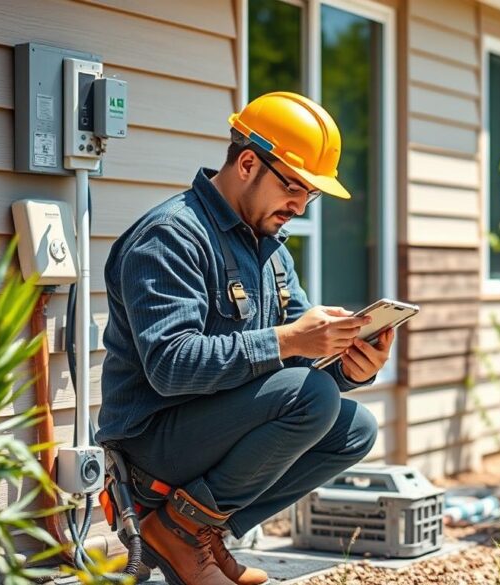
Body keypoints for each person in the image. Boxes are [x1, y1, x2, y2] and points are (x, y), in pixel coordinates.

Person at [96, 92, 390, 585]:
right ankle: (180, 534)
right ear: (248, 162)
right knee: (312, 396)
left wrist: (349, 364)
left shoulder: (270, 249)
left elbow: (301, 355)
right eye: (295, 186)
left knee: (353, 426)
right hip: (151, 439)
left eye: (310, 194)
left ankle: (196, 535)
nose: (300, 205)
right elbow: (171, 367)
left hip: (210, 426)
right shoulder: (171, 237)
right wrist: (290, 341)